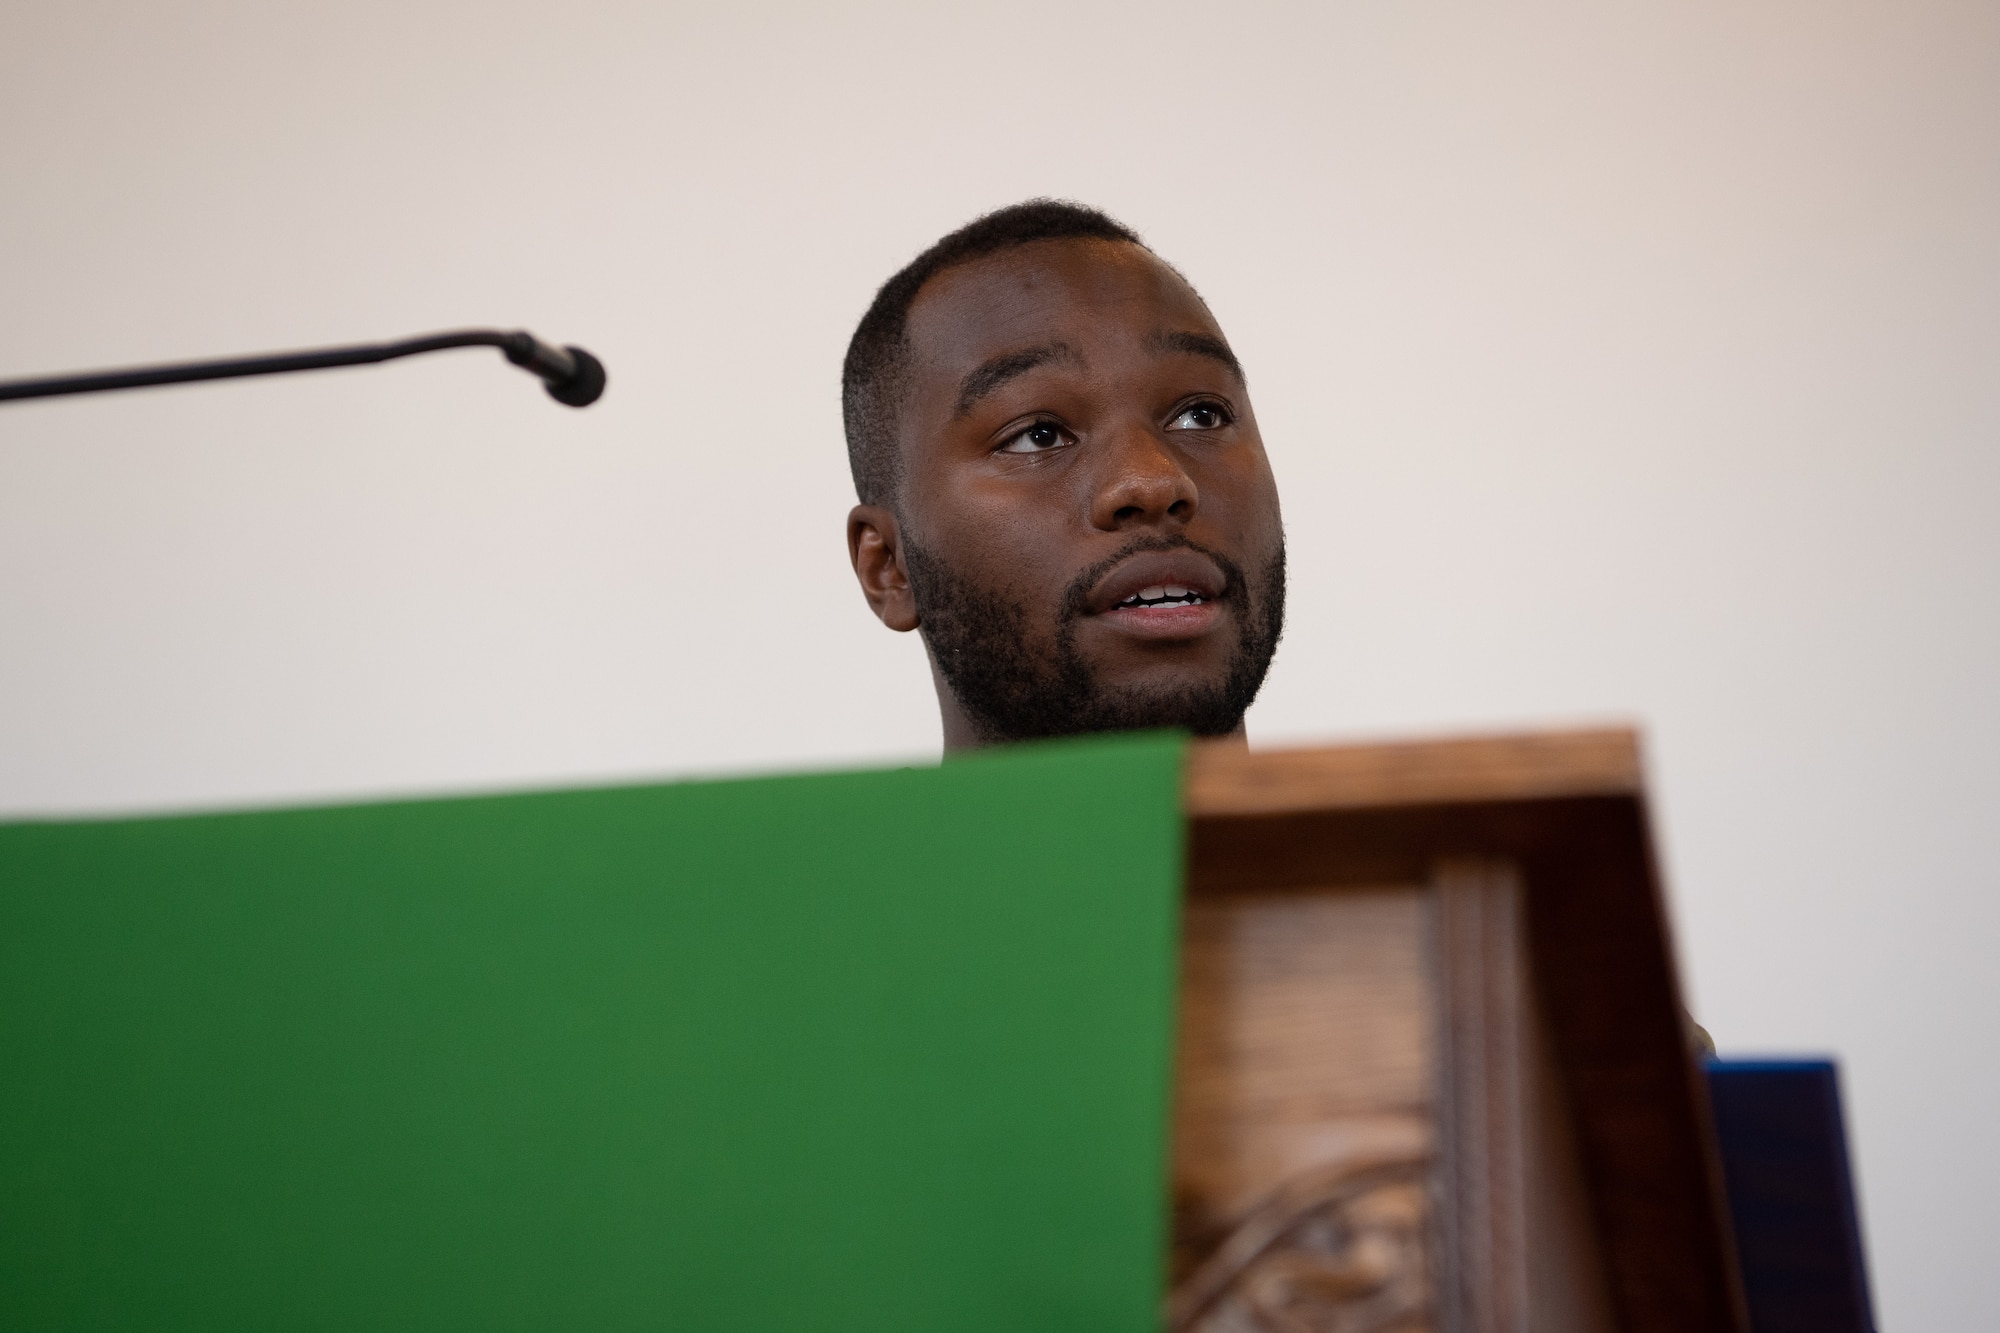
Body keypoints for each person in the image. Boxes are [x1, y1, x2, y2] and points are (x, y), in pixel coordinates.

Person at [843, 200, 1287, 750]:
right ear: (888, 567)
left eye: (1201, 415)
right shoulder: (750, 840)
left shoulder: (1422, 835)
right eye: (1039, 436)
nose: (1154, 483)